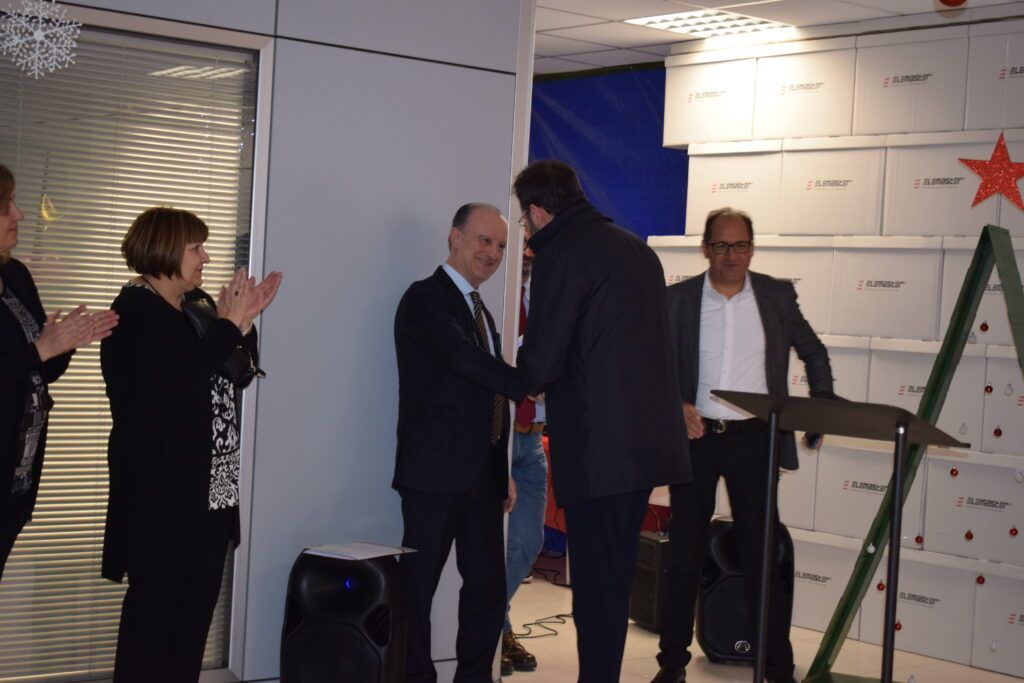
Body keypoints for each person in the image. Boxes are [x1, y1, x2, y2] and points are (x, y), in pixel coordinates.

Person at [514, 160, 691, 683]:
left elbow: (541, 361)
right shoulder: (635, 249)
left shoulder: (563, 253)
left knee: (595, 586)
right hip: (643, 447)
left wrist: (520, 375)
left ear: (538, 211)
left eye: (523, 220)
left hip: (598, 447)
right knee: (611, 580)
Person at [652, 207, 833, 683]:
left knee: (762, 558)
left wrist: (821, 406)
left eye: (740, 245)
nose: (731, 255)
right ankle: (671, 664)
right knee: (683, 555)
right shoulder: (677, 300)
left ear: (752, 248)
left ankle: (777, 669)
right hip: (696, 438)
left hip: (755, 440)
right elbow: (652, 365)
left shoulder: (776, 296)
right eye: (721, 245)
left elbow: (813, 352)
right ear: (705, 248)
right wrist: (675, 404)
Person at [101, 207, 281, 682]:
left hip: (210, 494)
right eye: (196, 248)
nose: (206, 258)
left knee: (190, 631)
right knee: (151, 630)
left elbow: (238, 372)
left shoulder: (194, 307)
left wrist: (242, 322)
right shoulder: (136, 314)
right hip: (162, 500)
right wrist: (228, 325)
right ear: (164, 249)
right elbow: (181, 377)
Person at [393, 202, 526, 683]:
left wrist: (502, 468)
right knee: (416, 593)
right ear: (455, 237)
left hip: (483, 479)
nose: (493, 253)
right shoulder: (425, 299)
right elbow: (460, 358)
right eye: (484, 241)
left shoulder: (481, 310)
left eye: (501, 246)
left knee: (488, 592)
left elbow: (487, 396)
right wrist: (526, 382)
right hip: (434, 477)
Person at [0, 164, 119, 580]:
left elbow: (39, 369)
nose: (19, 214)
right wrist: (41, 349)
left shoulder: (14, 275)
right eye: (7, 206)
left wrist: (64, 342)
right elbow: (29, 356)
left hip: (16, 477)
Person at [501, 238, 546, 677]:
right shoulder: (495, 297)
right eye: (523, 244)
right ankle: (494, 631)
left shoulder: (550, 296)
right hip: (499, 435)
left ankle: (492, 625)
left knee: (527, 543)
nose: (529, 253)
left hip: (533, 440)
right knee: (491, 545)